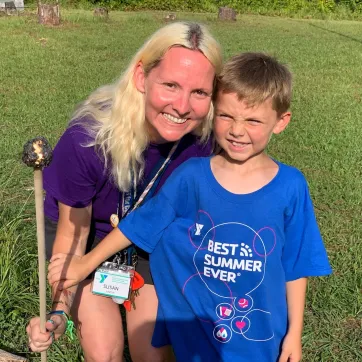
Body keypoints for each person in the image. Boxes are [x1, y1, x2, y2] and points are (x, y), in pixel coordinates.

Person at [47, 52, 332, 362]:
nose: (237, 130)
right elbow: (141, 223)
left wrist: (294, 334)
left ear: (281, 122)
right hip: (198, 326)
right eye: (226, 116)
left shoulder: (291, 186)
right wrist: (86, 265)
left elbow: (296, 264)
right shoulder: (192, 175)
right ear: (213, 112)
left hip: (259, 333)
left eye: (253, 120)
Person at [26, 21, 222, 362]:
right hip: (86, 240)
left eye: (200, 93)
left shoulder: (205, 144)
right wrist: (57, 313)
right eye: (171, 85)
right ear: (142, 77)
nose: (182, 106)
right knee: (105, 352)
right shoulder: (86, 139)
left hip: (152, 241)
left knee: (154, 353)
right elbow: (73, 237)